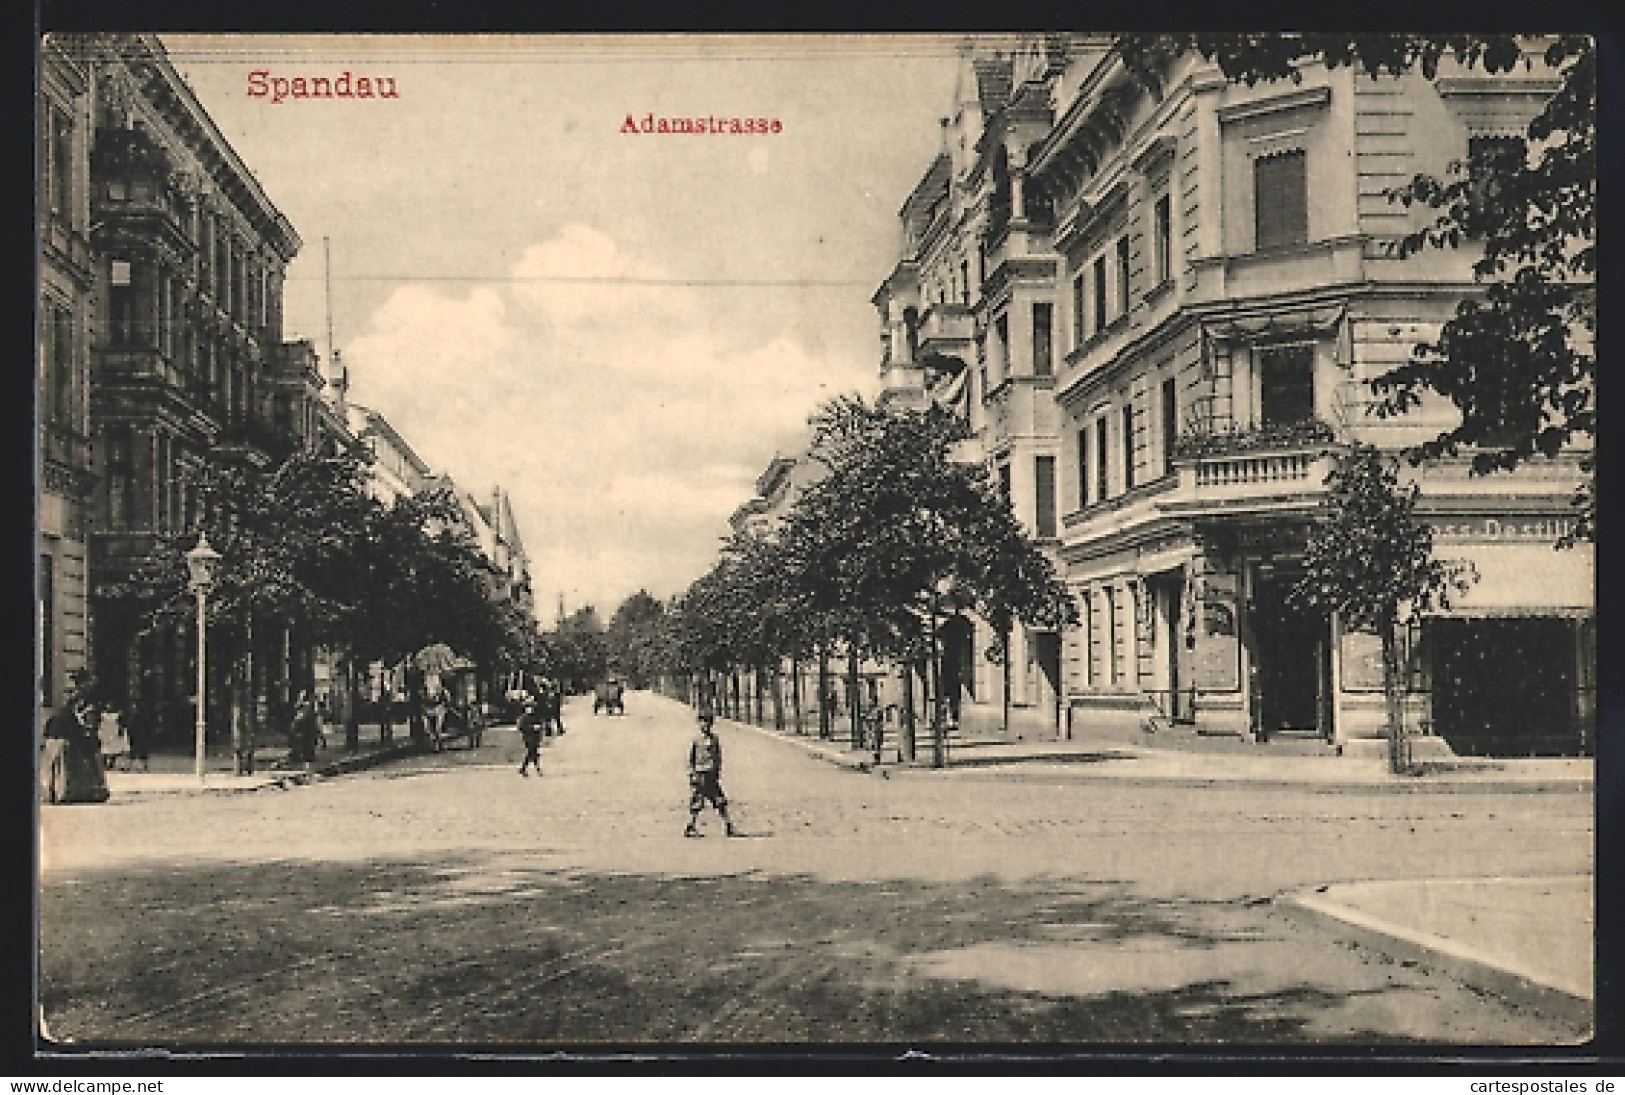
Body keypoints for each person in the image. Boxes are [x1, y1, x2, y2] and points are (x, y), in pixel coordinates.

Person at [685, 712, 737, 838]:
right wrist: (692, 773)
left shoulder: (714, 739)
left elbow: (718, 756)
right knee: (697, 801)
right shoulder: (696, 740)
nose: (705, 725)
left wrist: (717, 770)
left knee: (719, 800)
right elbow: (691, 758)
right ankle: (690, 826)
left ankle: (728, 824)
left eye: (708, 722)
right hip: (700, 774)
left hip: (711, 775)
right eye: (703, 722)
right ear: (699, 724)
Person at [517, 700, 544, 777]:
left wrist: (539, 728)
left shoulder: (536, 717)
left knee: (533, 752)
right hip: (528, 737)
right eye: (528, 708)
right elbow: (521, 727)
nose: (530, 709)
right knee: (531, 752)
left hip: (535, 737)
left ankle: (524, 768)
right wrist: (532, 728)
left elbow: (540, 724)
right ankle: (535, 769)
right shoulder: (523, 718)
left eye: (531, 708)